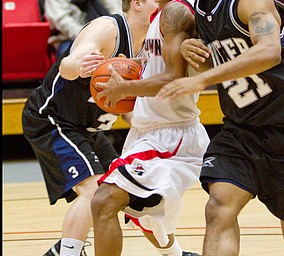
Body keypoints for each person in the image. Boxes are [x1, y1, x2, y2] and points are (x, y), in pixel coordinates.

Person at [156, 0, 284, 255]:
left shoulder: (249, 2)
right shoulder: (199, 10)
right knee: (219, 207)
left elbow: (269, 52)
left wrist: (202, 79)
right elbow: (223, 61)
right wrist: (194, 54)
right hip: (241, 127)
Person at [22, 1, 159, 255]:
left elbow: (127, 106)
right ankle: (68, 253)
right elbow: (68, 65)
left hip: (90, 128)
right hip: (53, 118)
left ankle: (173, 252)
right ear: (138, 3)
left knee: (133, 190)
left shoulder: (153, 42)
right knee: (93, 190)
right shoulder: (107, 29)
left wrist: (152, 131)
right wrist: (80, 66)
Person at [90, 0, 210, 255]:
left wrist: (125, 88)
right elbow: (156, 65)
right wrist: (131, 68)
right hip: (147, 132)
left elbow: (173, 78)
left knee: (104, 202)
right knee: (146, 217)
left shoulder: (175, 12)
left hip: (170, 136)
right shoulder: (158, 15)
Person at [44, 0, 116, 58]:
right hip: (68, 39)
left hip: (106, 36)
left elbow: (116, 10)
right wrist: (90, 36)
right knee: (72, 57)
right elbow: (63, 22)